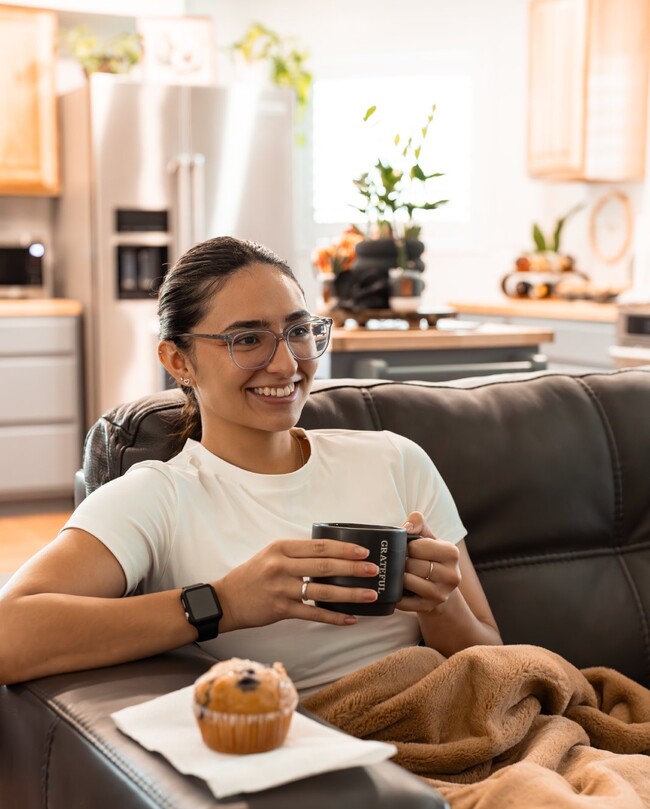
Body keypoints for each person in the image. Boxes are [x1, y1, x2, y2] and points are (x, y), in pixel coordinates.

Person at [0, 236, 501, 689]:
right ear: (178, 361)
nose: (286, 365)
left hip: (453, 725)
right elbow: (10, 635)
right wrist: (224, 603)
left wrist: (441, 602)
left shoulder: (396, 459)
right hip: (324, 758)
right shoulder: (158, 497)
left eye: (298, 331)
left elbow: (492, 662)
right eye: (247, 339)